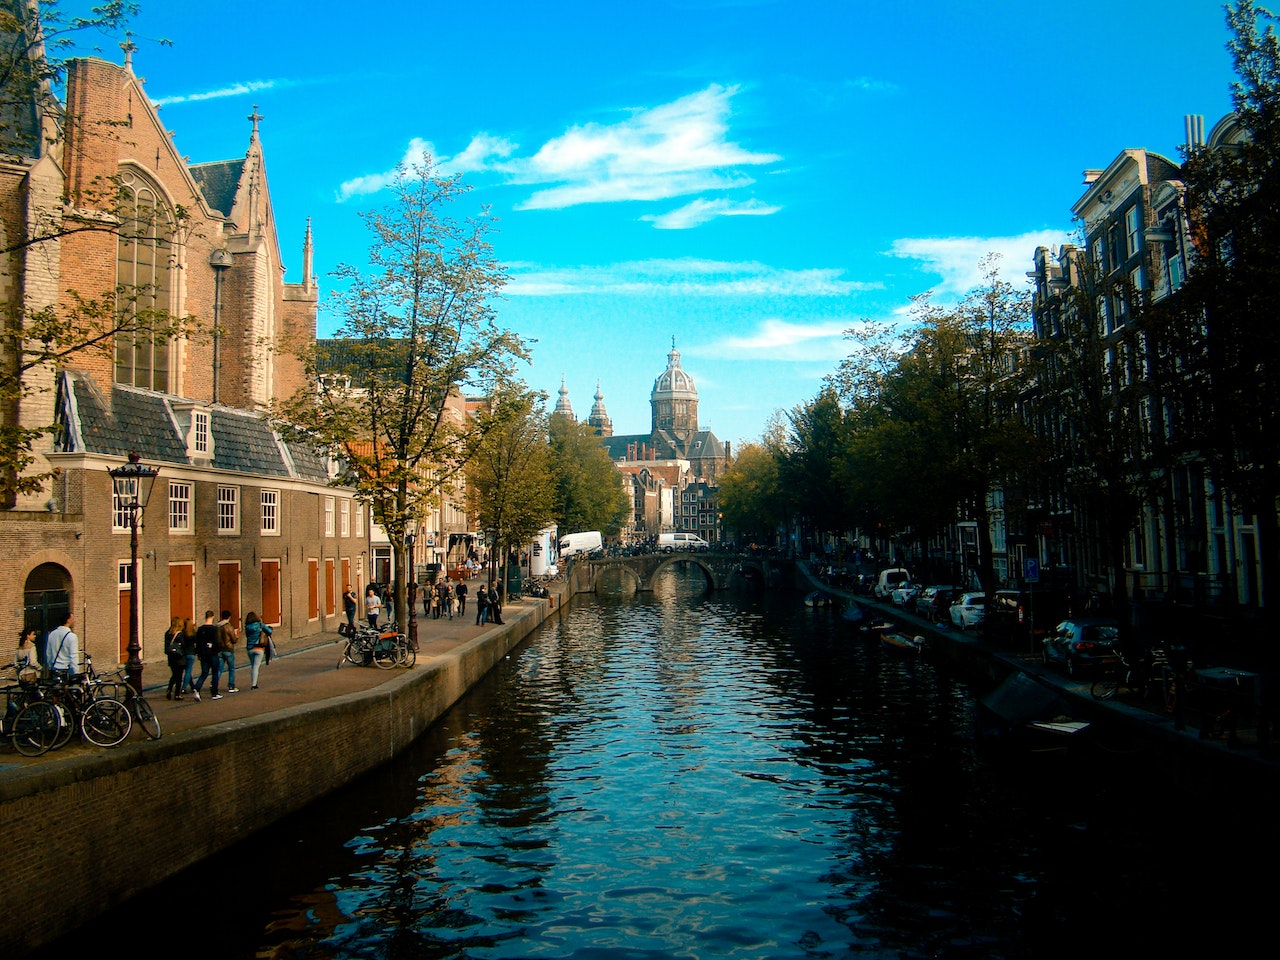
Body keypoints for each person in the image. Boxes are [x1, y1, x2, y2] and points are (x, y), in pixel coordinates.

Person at [190, 610, 218, 702]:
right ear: (212, 617)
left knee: (204, 673)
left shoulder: (200, 629)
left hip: (204, 654)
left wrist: (199, 654)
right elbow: (217, 642)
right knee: (215, 673)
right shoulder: (214, 629)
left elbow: (197, 643)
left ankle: (197, 688)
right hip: (213, 654)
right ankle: (214, 693)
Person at [243, 612, 272, 690]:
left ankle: (253, 683)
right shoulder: (260, 625)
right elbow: (269, 631)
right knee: (256, 667)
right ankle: (254, 685)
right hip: (259, 648)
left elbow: (247, 636)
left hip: (250, 648)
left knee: (253, 666)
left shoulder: (247, 627)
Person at [46, 611, 79, 680]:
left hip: (54, 669)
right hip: (65, 670)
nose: (74, 621)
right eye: (72, 619)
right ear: (68, 620)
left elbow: (48, 653)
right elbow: (74, 656)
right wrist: (76, 672)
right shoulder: (72, 636)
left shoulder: (52, 634)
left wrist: (49, 667)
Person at [215, 609, 240, 696]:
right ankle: (231, 686)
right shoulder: (229, 627)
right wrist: (237, 636)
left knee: (219, 669)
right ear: (229, 617)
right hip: (228, 650)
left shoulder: (217, 627)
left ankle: (214, 684)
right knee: (231, 669)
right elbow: (233, 640)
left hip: (220, 650)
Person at [163, 616, 187, 700]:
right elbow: (184, 646)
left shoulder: (167, 633)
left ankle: (169, 689)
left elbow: (166, 647)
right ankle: (177, 694)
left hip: (171, 657)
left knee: (174, 674)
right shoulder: (180, 634)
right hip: (179, 657)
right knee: (179, 676)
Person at [179, 617, 198, 699]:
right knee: (188, 671)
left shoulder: (182, 633)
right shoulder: (193, 634)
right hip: (191, 654)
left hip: (184, 654)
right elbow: (197, 643)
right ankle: (183, 688)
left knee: (187, 671)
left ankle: (192, 686)